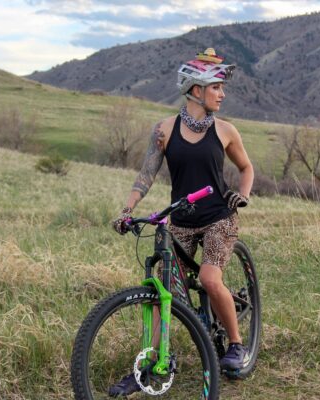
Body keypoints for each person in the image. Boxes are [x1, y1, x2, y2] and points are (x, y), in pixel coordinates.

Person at [110, 48, 254, 397]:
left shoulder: (225, 130)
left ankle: (237, 345)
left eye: (222, 87)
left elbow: (246, 168)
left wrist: (243, 195)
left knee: (209, 278)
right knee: (164, 290)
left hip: (219, 217)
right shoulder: (163, 130)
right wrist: (127, 210)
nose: (222, 94)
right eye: (216, 87)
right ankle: (151, 362)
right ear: (195, 89)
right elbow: (146, 175)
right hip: (182, 220)